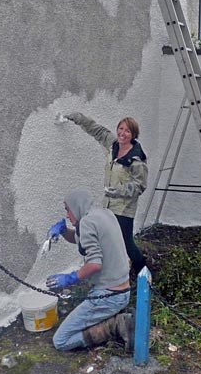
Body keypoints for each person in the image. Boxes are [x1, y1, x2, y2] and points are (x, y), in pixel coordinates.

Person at [45, 188, 134, 351]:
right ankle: (117, 317)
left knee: (61, 341)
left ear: (77, 206)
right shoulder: (104, 214)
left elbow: (94, 264)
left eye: (67, 209)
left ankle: (115, 325)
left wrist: (70, 278)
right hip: (122, 291)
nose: (67, 215)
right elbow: (85, 241)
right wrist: (65, 232)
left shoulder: (87, 222)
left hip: (108, 296)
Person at [62, 112, 147, 276]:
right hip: (107, 206)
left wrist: (118, 191)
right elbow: (97, 130)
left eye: (127, 131)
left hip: (124, 209)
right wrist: (78, 118)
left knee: (126, 243)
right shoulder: (112, 145)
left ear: (133, 135)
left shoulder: (136, 159)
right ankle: (111, 272)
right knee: (106, 239)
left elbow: (140, 185)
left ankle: (143, 271)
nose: (122, 133)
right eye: (120, 129)